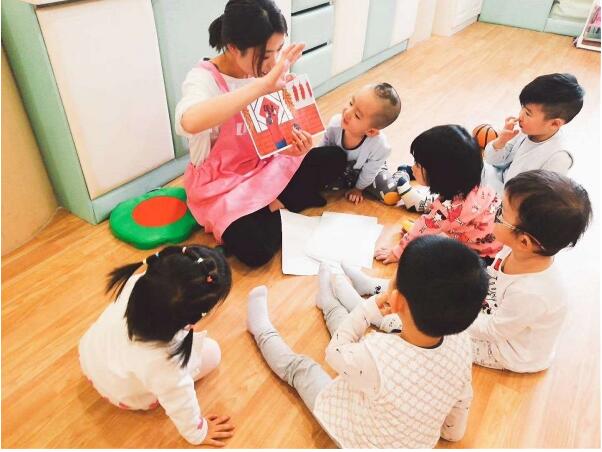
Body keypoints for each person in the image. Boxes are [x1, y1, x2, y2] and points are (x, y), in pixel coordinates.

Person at [246, 235, 489, 448]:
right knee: (352, 339)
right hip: (409, 438)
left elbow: (335, 351)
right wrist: (451, 433)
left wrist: (368, 308)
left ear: (398, 301)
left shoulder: (378, 354)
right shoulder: (462, 343)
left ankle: (262, 331)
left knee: (303, 369)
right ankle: (328, 303)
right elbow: (462, 397)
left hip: (357, 437)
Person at [176, 0, 346, 268]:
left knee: (335, 158)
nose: (272, 63)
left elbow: (275, 131)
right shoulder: (203, 79)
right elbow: (189, 121)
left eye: (278, 51)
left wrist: (293, 144)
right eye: (266, 55)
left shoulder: (265, 71)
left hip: (264, 165)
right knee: (255, 250)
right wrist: (262, 85)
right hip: (224, 184)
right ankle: (282, 204)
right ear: (234, 47)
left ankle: (274, 207)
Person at [79, 246, 235, 446]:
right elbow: (181, 403)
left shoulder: (137, 283)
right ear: (192, 318)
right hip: (123, 395)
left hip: (89, 357)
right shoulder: (167, 364)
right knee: (213, 353)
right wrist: (199, 432)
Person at [468, 170, 592, 372]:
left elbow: (494, 330)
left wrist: (454, 320)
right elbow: (493, 279)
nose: (492, 211)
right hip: (500, 317)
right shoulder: (515, 250)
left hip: (509, 353)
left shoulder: (531, 292)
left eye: (500, 212)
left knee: (443, 337)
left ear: (524, 241)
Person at [375, 125, 503, 265]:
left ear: (439, 175)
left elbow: (421, 229)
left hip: (483, 258)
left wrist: (397, 252)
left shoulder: (445, 210)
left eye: (418, 165)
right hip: (500, 245)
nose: (412, 168)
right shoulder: (475, 185)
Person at [482, 73, 585, 195]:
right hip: (499, 183)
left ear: (554, 123)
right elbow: (492, 160)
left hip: (513, 200)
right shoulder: (526, 131)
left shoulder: (559, 158)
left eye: (528, 113)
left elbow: (540, 199)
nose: (520, 116)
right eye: (522, 108)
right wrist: (501, 141)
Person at [313, 82, 402, 205]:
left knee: (389, 193)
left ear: (371, 131)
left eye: (357, 115)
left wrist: (358, 189)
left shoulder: (379, 146)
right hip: (342, 170)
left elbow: (369, 172)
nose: (347, 112)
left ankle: (402, 174)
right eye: (351, 103)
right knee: (319, 184)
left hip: (370, 171)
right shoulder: (335, 125)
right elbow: (321, 151)